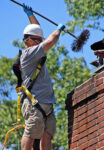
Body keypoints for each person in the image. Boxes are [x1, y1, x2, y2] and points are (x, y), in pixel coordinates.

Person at [20, 4, 65, 150]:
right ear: (30, 41)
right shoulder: (29, 54)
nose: (40, 43)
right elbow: (50, 41)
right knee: (32, 130)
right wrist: (58, 30)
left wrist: (30, 15)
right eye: (38, 41)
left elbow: (37, 30)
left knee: (48, 133)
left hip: (47, 103)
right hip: (34, 102)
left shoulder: (34, 46)